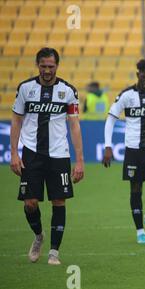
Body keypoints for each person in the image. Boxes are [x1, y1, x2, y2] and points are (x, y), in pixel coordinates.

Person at [10, 47, 84, 265]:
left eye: (51, 66)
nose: (47, 70)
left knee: (58, 200)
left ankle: (54, 251)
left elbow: (74, 126)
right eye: (43, 66)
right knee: (30, 203)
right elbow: (16, 121)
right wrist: (14, 153)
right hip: (31, 153)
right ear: (37, 65)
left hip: (59, 154)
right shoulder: (25, 88)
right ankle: (39, 235)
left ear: (57, 66)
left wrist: (79, 161)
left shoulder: (68, 91)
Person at [102, 59, 145, 243]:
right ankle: (140, 230)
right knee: (136, 188)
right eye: (143, 76)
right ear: (137, 74)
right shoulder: (126, 95)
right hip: (134, 148)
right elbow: (111, 119)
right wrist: (107, 146)